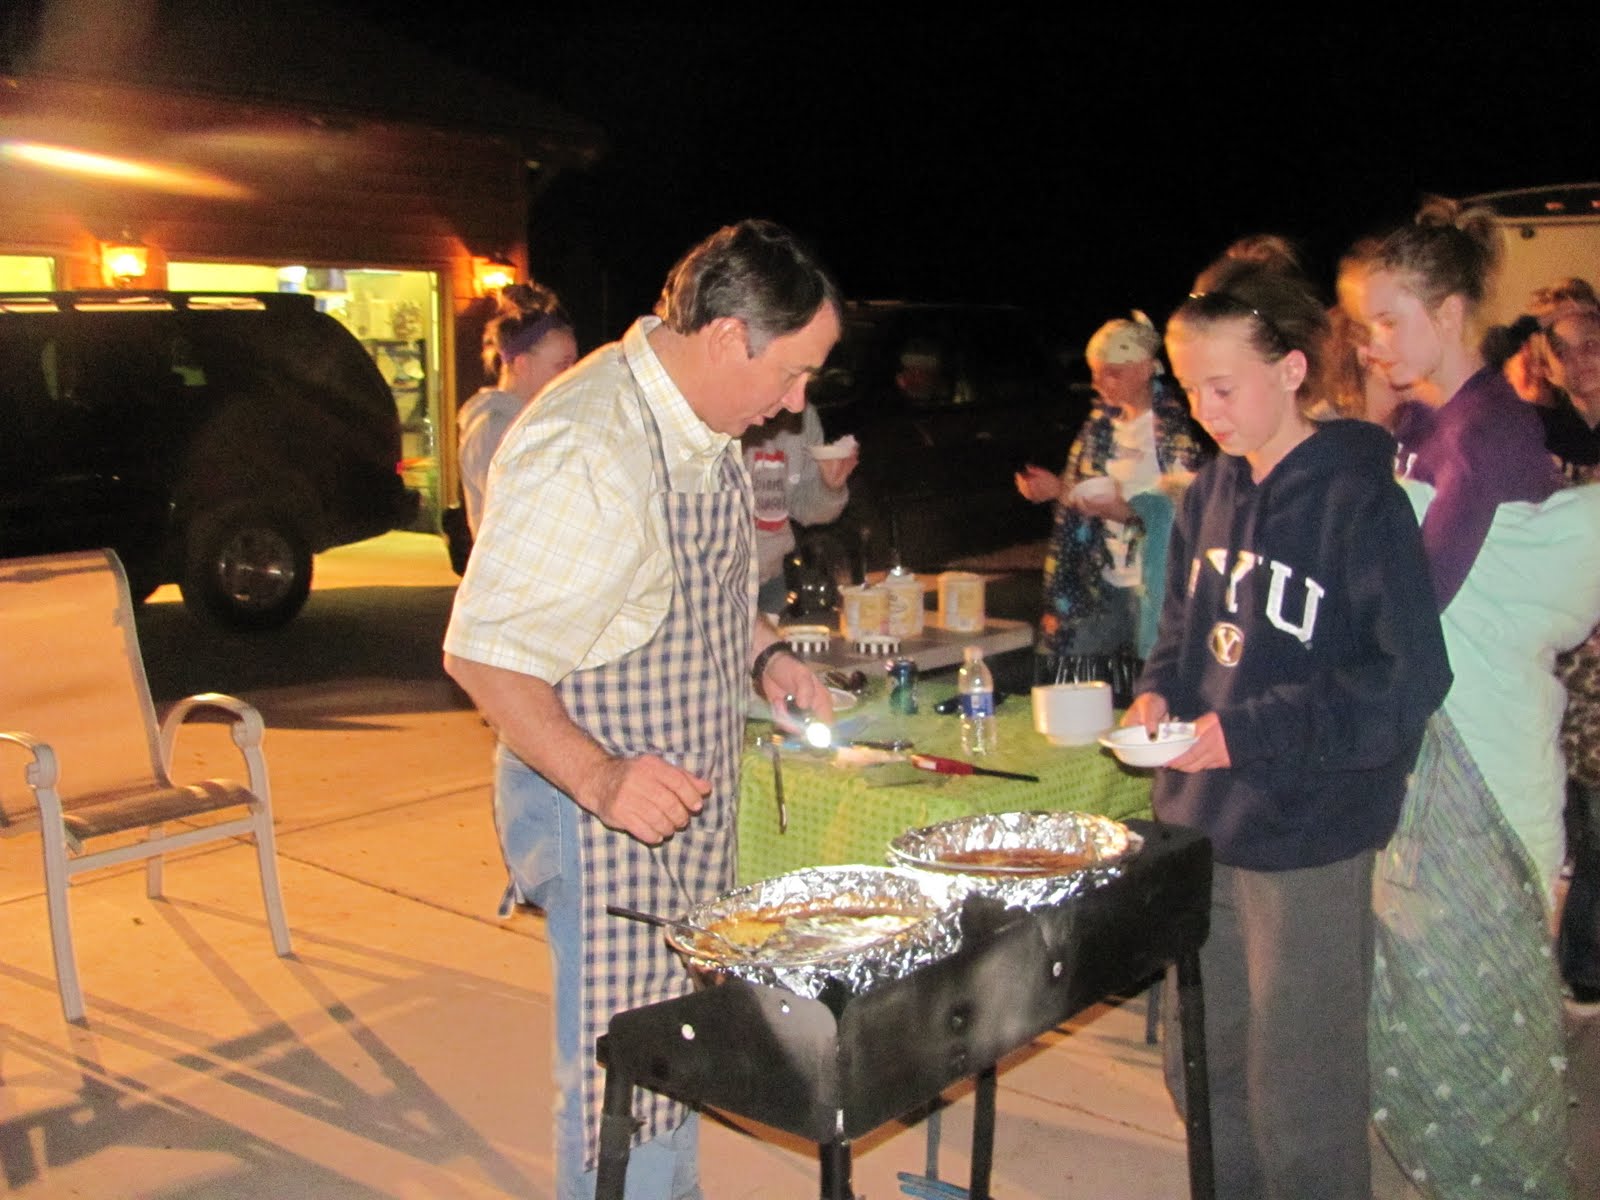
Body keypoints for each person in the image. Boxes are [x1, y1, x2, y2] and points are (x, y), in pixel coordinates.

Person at [443, 219, 841, 1200]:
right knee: (621, 1077)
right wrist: (604, 778)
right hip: (595, 809)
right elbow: (482, 657)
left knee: (676, 1059)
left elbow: (694, 584)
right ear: (724, 339)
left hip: (676, 798)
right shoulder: (590, 441)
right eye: (792, 375)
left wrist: (766, 654)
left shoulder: (696, 423)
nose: (797, 407)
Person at [1125, 238, 1451, 1200]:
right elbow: (1182, 634)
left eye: (1224, 387)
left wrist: (1251, 729)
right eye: (1190, 391)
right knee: (1207, 1069)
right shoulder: (1212, 492)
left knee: (1298, 1095)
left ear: (1294, 369)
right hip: (1201, 820)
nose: (1206, 412)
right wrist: (1158, 697)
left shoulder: (1358, 497)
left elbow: (1408, 675)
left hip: (1307, 829)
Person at [1343, 200, 1600, 1197]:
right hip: (1433, 743)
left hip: (1486, 752)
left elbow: (1418, 596)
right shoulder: (1423, 417)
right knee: (1429, 1005)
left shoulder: (1488, 432)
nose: (1370, 344)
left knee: (1480, 1011)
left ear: (1450, 313)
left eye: (1387, 321)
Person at [1016, 312, 1207, 671]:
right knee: (1068, 671)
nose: (1099, 382)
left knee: (1155, 677)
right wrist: (1054, 490)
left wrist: (1101, 504)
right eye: (1094, 371)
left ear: (1146, 369)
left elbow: (1177, 519)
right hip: (1098, 577)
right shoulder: (1100, 427)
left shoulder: (1178, 433)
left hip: (1154, 582)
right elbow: (1081, 495)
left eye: (1112, 372)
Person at [456, 282, 579, 535]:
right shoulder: (493, 426)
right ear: (522, 364)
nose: (571, 376)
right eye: (561, 365)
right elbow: (524, 516)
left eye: (574, 365)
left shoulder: (539, 420)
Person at [742, 403, 857, 614]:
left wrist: (830, 487)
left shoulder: (804, 416)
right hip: (719, 583)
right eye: (790, 376)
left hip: (772, 580)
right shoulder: (727, 415)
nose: (798, 397)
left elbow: (807, 510)